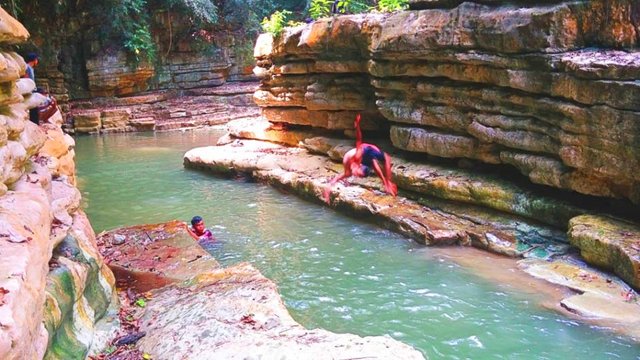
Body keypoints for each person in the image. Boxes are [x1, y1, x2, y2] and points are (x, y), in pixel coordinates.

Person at [323, 114, 397, 202]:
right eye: (358, 173)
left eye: (358, 175)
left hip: (366, 156)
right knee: (384, 158)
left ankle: (386, 182)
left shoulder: (348, 173)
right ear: (359, 166)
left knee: (375, 163)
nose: (355, 174)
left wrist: (328, 189)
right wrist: (357, 126)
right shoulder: (357, 157)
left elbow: (336, 179)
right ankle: (386, 182)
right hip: (366, 149)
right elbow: (359, 140)